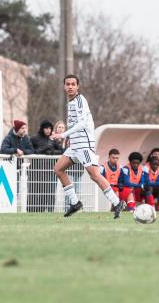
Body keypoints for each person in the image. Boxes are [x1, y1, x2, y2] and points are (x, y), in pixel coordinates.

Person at [51, 75, 125, 218]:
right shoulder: (71, 102)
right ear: (64, 86)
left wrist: (64, 134)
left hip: (84, 145)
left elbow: (83, 123)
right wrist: (70, 138)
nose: (71, 86)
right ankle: (75, 202)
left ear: (77, 86)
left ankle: (117, 203)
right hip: (75, 145)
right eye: (68, 84)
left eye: (73, 84)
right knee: (58, 169)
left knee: (95, 175)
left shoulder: (80, 101)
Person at [27, 120, 63, 212]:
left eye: (50, 128)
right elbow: (29, 150)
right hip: (35, 169)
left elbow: (61, 151)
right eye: (46, 128)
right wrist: (41, 150)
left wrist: (51, 152)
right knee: (33, 190)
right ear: (42, 129)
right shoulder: (34, 138)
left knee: (45, 191)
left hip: (47, 169)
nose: (48, 130)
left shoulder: (53, 139)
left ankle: (42, 210)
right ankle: (31, 210)